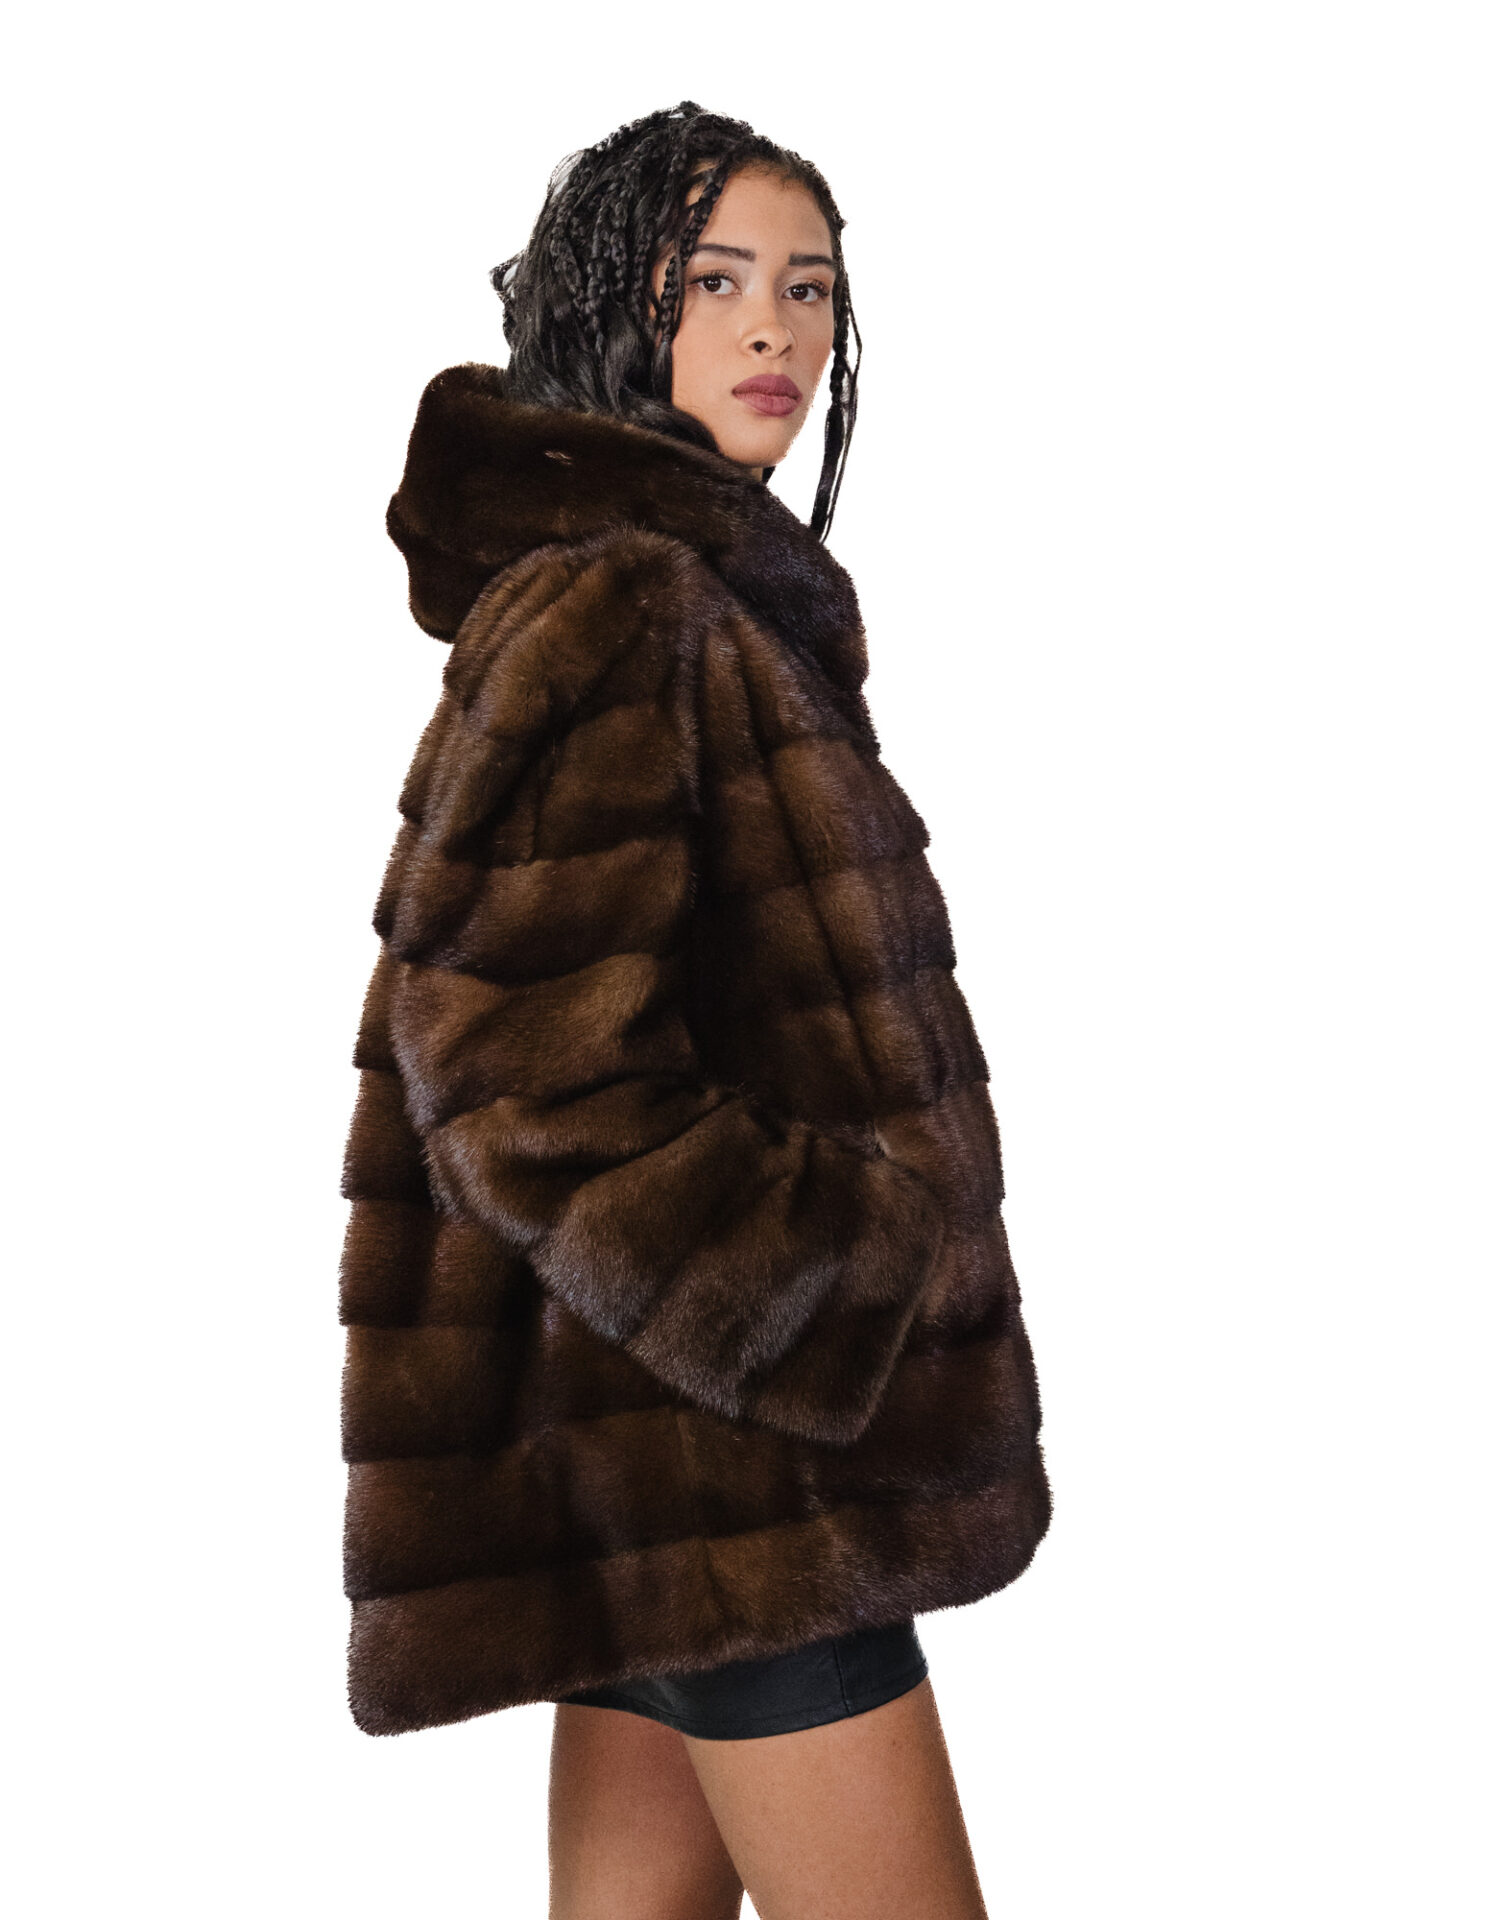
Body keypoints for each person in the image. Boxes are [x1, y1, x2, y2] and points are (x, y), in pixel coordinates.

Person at [338, 99, 1052, 1920]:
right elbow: (513, 1071)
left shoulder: (684, 596)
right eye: (715, 280)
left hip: (655, 1460)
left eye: (810, 289)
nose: (775, 330)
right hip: (742, 1476)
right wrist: (831, 1277)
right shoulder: (627, 600)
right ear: (611, 302)